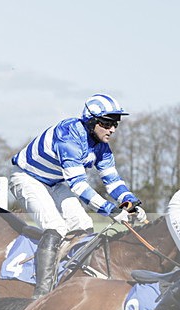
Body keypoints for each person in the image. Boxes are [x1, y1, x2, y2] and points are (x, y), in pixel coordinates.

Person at [9, 93, 148, 298]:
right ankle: (41, 294)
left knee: (84, 226)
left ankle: (70, 279)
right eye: (107, 123)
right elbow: (78, 185)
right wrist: (110, 210)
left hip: (54, 182)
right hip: (27, 178)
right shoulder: (68, 136)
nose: (112, 129)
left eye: (115, 124)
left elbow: (113, 181)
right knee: (56, 227)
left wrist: (131, 204)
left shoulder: (102, 147)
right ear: (92, 121)